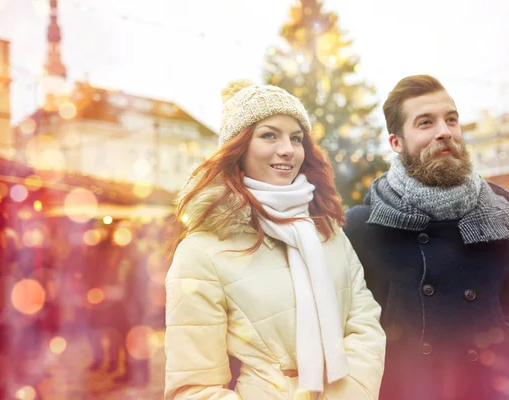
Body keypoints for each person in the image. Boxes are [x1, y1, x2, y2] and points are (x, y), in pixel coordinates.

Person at [343, 75, 509, 400]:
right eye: (426, 122)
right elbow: (341, 331)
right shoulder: (362, 227)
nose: (444, 131)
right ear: (396, 143)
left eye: (451, 119)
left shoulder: (504, 218)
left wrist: (503, 338)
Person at [165, 80, 386, 399]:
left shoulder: (327, 231)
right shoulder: (202, 250)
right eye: (269, 135)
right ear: (238, 148)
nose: (288, 149)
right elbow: (192, 388)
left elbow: (364, 325)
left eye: (296, 138)